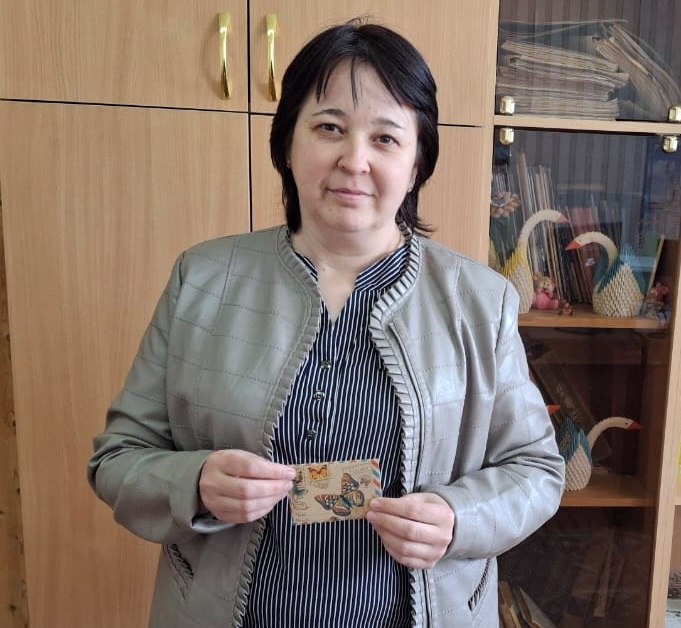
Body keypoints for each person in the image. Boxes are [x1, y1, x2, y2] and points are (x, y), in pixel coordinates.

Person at [88, 19, 565, 628]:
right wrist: (196, 483)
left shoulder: (481, 301)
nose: (354, 160)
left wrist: (457, 519)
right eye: (329, 128)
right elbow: (118, 459)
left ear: (418, 162)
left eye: (385, 138)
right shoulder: (202, 279)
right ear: (288, 143)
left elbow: (537, 469)